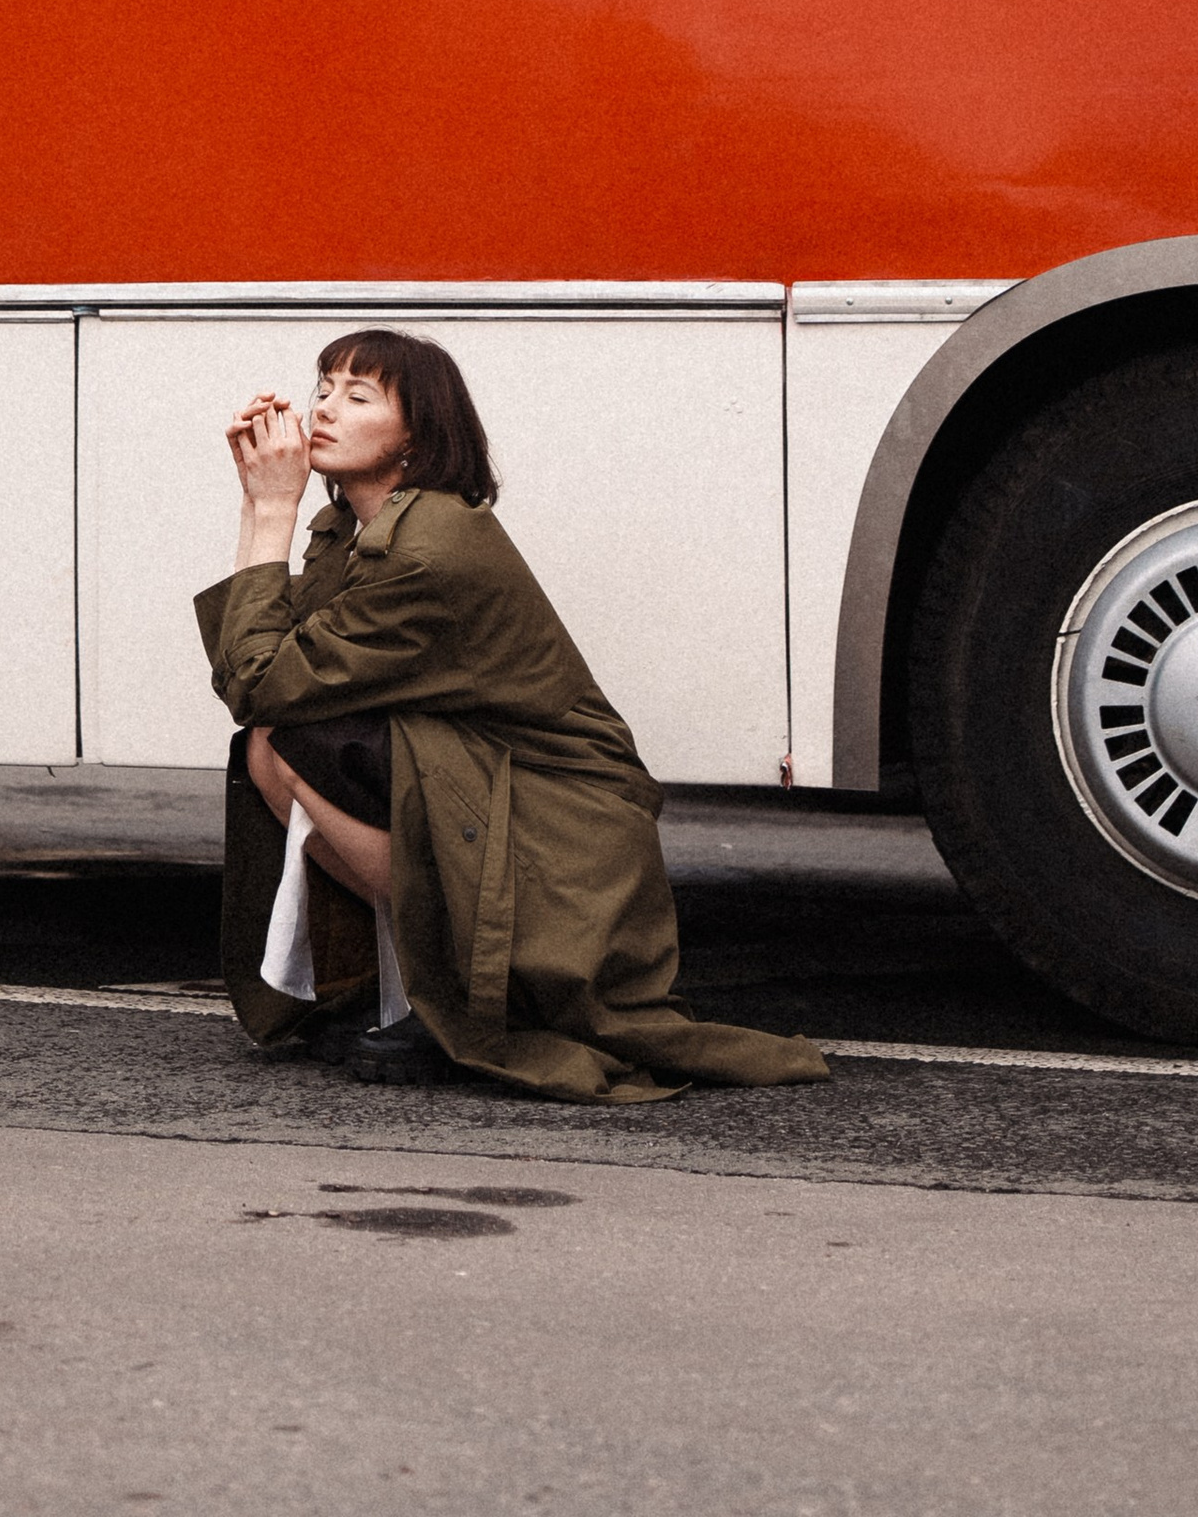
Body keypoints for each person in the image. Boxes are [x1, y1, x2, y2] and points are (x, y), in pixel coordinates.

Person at [195, 326, 832, 1106]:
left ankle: (452, 994)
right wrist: (267, 508)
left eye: (358, 397)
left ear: (418, 437)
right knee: (271, 745)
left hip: (562, 822)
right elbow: (261, 675)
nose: (324, 408)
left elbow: (261, 680)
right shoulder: (356, 528)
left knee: (284, 739)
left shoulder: (430, 547)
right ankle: (405, 988)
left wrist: (268, 509)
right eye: (323, 387)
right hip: (497, 786)